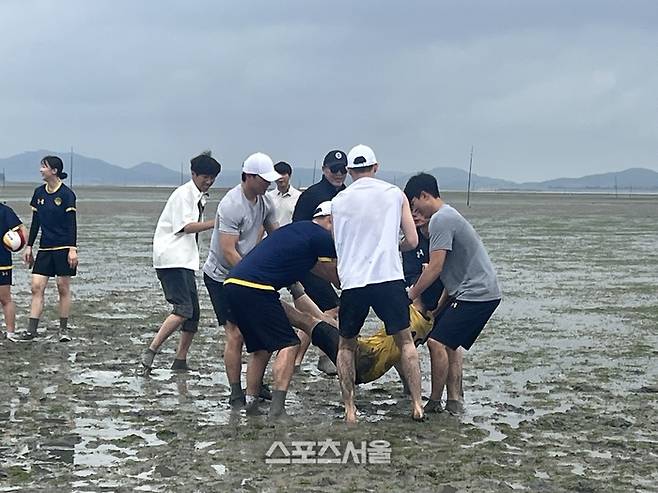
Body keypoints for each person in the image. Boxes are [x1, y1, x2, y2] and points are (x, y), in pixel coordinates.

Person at [331, 144, 424, 423]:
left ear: (348, 171)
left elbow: (338, 242)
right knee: (405, 341)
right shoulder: (394, 194)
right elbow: (413, 240)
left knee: (346, 345)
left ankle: (350, 409)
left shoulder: (338, 201)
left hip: (354, 281)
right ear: (376, 167)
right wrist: (395, 247)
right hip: (388, 277)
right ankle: (417, 404)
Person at [223, 201, 338, 419]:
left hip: (232, 284)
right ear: (330, 220)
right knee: (289, 343)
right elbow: (334, 272)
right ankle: (277, 408)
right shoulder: (321, 236)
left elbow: (318, 271)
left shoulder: (295, 232)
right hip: (257, 288)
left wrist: (314, 318)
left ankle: (251, 403)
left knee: (261, 348)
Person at [405, 172, 501, 414]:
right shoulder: (447, 217)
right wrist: (439, 307)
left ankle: (435, 401)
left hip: (478, 293)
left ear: (425, 195)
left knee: (437, 342)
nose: (414, 214)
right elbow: (451, 275)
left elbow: (435, 268)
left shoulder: (441, 220)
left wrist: (411, 293)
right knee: (450, 343)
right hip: (471, 291)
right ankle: (455, 400)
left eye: (414, 206)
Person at [203, 152, 281, 407]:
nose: (268, 184)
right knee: (235, 334)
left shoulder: (265, 201)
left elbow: (276, 235)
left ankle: (255, 384)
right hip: (221, 276)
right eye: (263, 179)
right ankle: (236, 391)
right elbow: (228, 250)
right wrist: (252, 277)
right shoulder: (231, 205)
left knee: (257, 332)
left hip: (248, 274)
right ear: (248, 177)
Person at [139, 151, 221, 373]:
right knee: (183, 309)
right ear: (193, 174)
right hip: (171, 258)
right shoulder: (184, 194)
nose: (209, 181)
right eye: (205, 176)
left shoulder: (197, 196)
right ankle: (151, 351)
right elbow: (186, 226)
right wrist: (216, 222)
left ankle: (180, 360)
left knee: (193, 313)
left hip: (185, 259)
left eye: (213, 177)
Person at [291, 150, 348, 374]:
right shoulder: (312, 195)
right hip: (310, 263)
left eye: (343, 169)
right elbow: (297, 229)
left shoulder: (347, 195)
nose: (339, 173)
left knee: (317, 313)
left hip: (336, 261)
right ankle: (326, 356)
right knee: (331, 308)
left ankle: (297, 359)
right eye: (334, 169)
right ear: (324, 169)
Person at [21, 156, 78, 342]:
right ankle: (31, 330)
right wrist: (29, 246)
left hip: (63, 247)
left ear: (54, 171)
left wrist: (72, 249)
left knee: (63, 287)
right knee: (36, 287)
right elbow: (36, 222)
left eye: (43, 167)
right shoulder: (39, 193)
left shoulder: (67, 194)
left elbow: (72, 224)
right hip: (45, 248)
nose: (40, 170)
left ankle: (63, 329)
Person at [0, 204, 27, 342]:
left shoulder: (5, 211)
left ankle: (10, 333)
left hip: (2, 262)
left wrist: (21, 245)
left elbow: (22, 229)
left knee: (5, 298)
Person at [266, 161, 301, 227]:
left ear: (289, 175)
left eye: (283, 174)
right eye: (277, 174)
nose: (280, 177)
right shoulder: (268, 197)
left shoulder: (298, 197)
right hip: (271, 236)